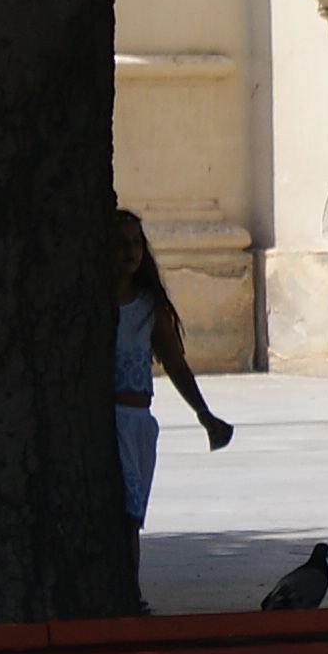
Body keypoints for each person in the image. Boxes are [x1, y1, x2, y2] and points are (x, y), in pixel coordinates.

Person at [113, 207, 233, 613]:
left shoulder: (149, 307)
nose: (129, 252)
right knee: (121, 513)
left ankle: (129, 589)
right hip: (106, 422)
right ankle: (131, 594)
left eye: (135, 243)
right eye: (120, 243)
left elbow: (176, 363)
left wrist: (204, 413)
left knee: (133, 514)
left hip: (138, 423)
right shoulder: (90, 307)